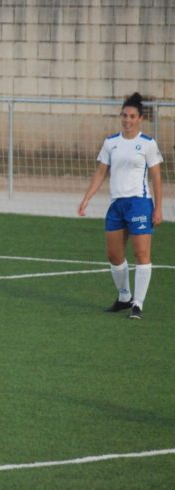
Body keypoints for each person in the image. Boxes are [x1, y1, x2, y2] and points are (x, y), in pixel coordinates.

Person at [78, 92, 164, 320]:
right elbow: (100, 173)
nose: (127, 120)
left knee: (141, 253)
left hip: (139, 203)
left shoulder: (147, 144)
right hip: (117, 204)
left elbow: (156, 177)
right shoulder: (111, 142)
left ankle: (138, 303)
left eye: (132, 116)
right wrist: (87, 198)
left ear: (140, 119)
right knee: (114, 255)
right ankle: (124, 296)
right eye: (124, 115)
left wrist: (158, 207)